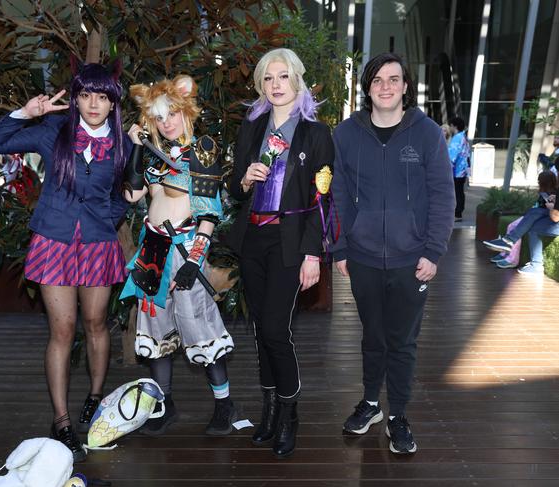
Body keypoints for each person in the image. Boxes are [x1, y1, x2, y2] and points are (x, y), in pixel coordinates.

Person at [0, 62, 132, 462]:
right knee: (62, 331)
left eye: (102, 96)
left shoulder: (123, 142)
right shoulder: (54, 131)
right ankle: (61, 420)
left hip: (98, 243)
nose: (93, 104)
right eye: (85, 95)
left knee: (97, 323)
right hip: (53, 240)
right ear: (76, 97)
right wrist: (25, 114)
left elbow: (122, 193)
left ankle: (95, 397)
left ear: (113, 100)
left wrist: (105, 220)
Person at [330, 52, 454, 454]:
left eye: (394, 79)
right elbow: (338, 195)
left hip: (411, 258)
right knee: (373, 337)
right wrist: (341, 246)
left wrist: (433, 251)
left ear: (405, 86)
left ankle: (398, 414)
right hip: (362, 256)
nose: (386, 86)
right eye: (378, 79)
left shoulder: (427, 133)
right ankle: (370, 404)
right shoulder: (346, 134)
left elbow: (442, 195)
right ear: (368, 87)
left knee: (402, 341)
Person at [228, 48, 334, 458]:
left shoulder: (315, 133)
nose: (276, 85)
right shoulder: (251, 127)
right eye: (268, 78)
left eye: (283, 77)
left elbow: (323, 200)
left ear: (297, 81)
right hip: (253, 239)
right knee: (261, 330)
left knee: (275, 330)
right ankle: (269, 412)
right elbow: (236, 183)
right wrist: (245, 179)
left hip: (290, 242)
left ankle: (290, 415)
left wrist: (313, 255)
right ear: (261, 84)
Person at [120, 75, 237, 437]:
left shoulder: (201, 152)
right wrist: (137, 148)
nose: (167, 122)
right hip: (153, 249)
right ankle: (165, 404)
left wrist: (193, 260)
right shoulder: (155, 155)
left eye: (172, 113)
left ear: (186, 112)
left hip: (187, 250)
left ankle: (224, 404)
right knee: (155, 331)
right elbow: (131, 195)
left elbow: (208, 215)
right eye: (158, 117)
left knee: (200, 325)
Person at [483, 171, 559, 275]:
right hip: (543, 216)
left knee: (528, 218)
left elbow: (555, 217)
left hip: (551, 218)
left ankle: (511, 255)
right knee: (531, 223)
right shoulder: (551, 192)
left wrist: (550, 206)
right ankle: (508, 247)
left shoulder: (553, 192)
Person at [448, 116, 471, 222]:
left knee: (456, 192)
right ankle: (459, 212)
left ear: (454, 126)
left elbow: (453, 155)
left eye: (450, 125)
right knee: (460, 191)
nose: (449, 127)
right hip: (463, 169)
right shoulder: (464, 137)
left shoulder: (457, 138)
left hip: (457, 170)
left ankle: (457, 213)